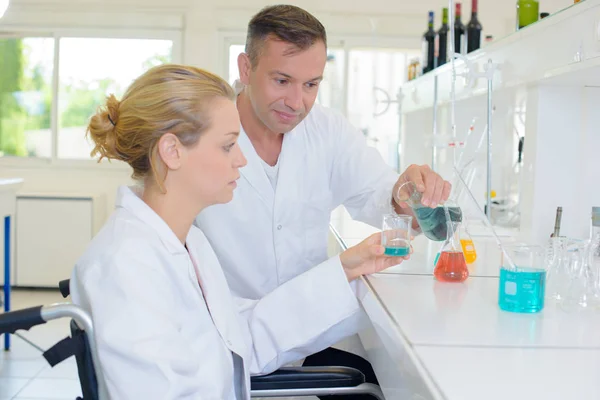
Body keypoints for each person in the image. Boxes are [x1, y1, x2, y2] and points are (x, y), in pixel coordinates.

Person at [70, 64, 410, 399]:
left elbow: (239, 338)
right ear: (172, 151)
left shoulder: (186, 242)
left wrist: (346, 269)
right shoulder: (125, 266)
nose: (242, 160)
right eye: (228, 145)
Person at [194, 5, 452, 398]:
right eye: (282, 80)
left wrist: (407, 195)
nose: (297, 102)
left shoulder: (326, 130)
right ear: (246, 68)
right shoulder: (201, 138)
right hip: (229, 346)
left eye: (311, 85)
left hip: (307, 336)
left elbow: (380, 195)